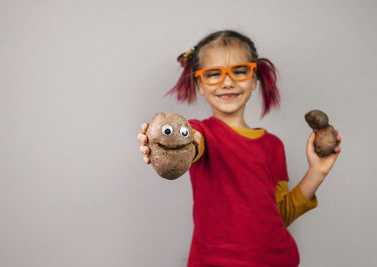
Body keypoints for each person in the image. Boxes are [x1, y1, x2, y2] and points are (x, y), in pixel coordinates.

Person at [137, 30, 341, 267]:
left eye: (240, 71)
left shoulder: (273, 146)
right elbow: (192, 141)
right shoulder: (200, 133)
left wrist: (317, 172)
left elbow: (280, 215)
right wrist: (171, 141)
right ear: (200, 84)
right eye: (213, 74)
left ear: (254, 78)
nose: (227, 81)